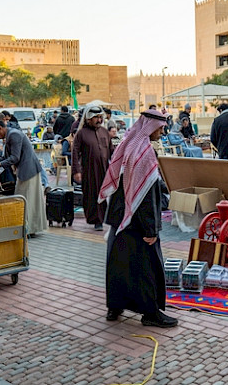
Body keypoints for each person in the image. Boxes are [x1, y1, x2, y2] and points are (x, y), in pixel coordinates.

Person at [99, 109, 177, 328]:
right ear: (150, 127)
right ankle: (151, 313)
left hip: (119, 219)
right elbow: (146, 196)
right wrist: (151, 230)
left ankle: (114, 307)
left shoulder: (128, 144)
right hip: (137, 223)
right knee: (148, 268)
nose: (162, 131)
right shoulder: (144, 152)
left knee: (118, 266)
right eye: (160, 127)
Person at [0, 120, 48, 236]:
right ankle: (31, 228)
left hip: (28, 170)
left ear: (0, 128)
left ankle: (28, 229)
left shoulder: (13, 135)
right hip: (27, 170)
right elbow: (6, 156)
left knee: (25, 199)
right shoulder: (11, 134)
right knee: (30, 200)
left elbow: (14, 157)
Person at [73, 106, 113, 230]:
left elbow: (112, 151)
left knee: (103, 194)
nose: (99, 120)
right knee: (92, 195)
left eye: (100, 117)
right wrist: (76, 171)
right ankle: (96, 220)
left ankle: (102, 218)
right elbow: (75, 153)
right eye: (96, 117)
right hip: (89, 171)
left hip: (104, 170)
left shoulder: (105, 132)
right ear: (88, 119)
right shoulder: (81, 134)